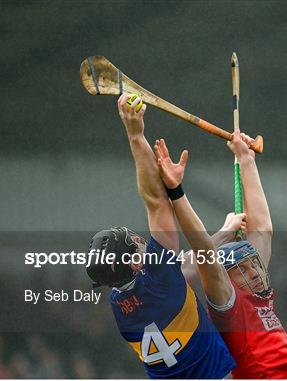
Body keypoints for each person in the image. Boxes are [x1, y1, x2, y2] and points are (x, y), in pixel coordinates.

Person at [85, 94, 236, 379]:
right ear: (133, 263)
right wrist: (134, 132)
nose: (143, 240)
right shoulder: (157, 276)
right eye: (137, 243)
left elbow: (188, 265)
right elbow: (156, 200)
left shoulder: (120, 302)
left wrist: (226, 233)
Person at [153, 125, 287, 379]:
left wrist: (246, 160)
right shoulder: (228, 302)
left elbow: (262, 230)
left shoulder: (259, 293)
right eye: (242, 270)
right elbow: (200, 254)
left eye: (253, 265)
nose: (255, 272)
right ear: (226, 277)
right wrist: (176, 192)